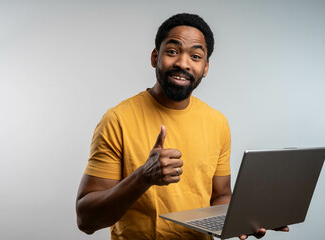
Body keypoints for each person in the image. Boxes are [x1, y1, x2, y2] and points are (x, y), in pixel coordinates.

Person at [76, 13, 289, 239]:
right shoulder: (117, 120)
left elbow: (220, 197)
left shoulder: (217, 122)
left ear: (205, 68)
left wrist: (248, 218)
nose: (183, 63)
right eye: (172, 51)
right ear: (154, 57)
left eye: (195, 56)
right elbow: (86, 220)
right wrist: (143, 177)